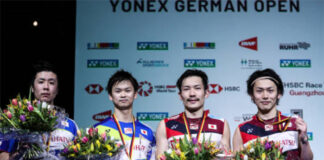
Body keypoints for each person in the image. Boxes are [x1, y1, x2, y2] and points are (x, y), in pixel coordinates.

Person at [0, 61, 79, 159]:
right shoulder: (15, 122)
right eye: (41, 82)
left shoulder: (71, 125)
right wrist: (18, 153)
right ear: (32, 88)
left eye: (51, 83)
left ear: (57, 89)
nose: (46, 87)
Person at [233, 68, 313, 160]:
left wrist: (304, 138)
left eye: (270, 90)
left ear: (279, 93)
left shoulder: (294, 122)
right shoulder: (242, 129)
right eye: (259, 91)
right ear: (251, 94)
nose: (265, 96)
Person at [156, 69, 231, 159]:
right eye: (186, 89)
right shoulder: (166, 125)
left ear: (206, 93)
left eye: (197, 88)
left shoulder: (221, 124)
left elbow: (227, 157)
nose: (192, 93)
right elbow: (160, 157)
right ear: (180, 95)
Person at [94, 70, 155, 160]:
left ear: (135, 94)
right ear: (110, 96)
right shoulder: (97, 130)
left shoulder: (148, 131)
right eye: (118, 91)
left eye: (127, 90)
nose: (123, 95)